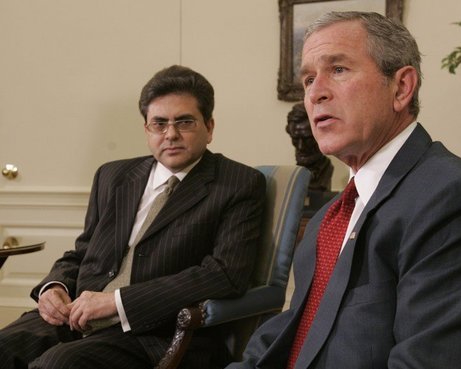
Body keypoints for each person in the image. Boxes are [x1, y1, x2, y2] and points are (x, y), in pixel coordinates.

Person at [227, 11, 461, 369]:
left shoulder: (456, 201)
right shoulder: (328, 217)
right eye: (308, 79)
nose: (315, 93)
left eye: (339, 70)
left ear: (401, 87)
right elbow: (293, 330)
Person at [0, 65, 266, 369]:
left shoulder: (238, 183)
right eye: (159, 123)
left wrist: (116, 302)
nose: (171, 134)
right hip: (75, 316)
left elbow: (224, 274)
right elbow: (82, 252)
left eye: (185, 122)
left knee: (57, 365)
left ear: (209, 126)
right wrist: (54, 287)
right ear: (146, 130)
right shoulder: (112, 176)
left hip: (153, 332)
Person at [286, 102, 334, 192]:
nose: (300, 147)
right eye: (295, 139)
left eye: (307, 139)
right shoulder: (293, 176)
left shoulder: (325, 170)